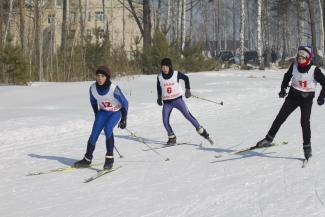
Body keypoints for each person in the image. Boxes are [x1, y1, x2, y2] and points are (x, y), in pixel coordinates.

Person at [256, 46, 325, 160]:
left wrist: (322, 97)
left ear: (307, 58)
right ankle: (268, 139)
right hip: (293, 96)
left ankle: (307, 148)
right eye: (298, 58)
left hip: (307, 100)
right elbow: (287, 77)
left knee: (304, 122)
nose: (300, 60)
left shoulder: (314, 70)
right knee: (280, 117)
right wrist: (283, 89)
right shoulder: (294, 66)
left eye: (302, 58)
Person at [74, 65, 128, 169]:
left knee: (108, 129)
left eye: (102, 76)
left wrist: (124, 118)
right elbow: (93, 101)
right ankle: (87, 159)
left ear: (107, 77)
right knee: (94, 133)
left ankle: (109, 159)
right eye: (98, 75)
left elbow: (125, 103)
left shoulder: (114, 89)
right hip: (103, 112)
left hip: (115, 112)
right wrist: (96, 114)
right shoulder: (93, 88)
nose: (99, 78)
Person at [156, 58, 213, 145]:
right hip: (167, 103)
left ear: (169, 67)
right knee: (165, 120)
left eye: (166, 67)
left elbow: (186, 78)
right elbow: (159, 87)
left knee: (188, 115)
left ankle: (202, 131)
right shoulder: (159, 76)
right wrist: (159, 97)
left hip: (177, 100)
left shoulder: (176, 74)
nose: (164, 69)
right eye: (163, 67)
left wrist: (188, 90)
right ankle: (172, 137)